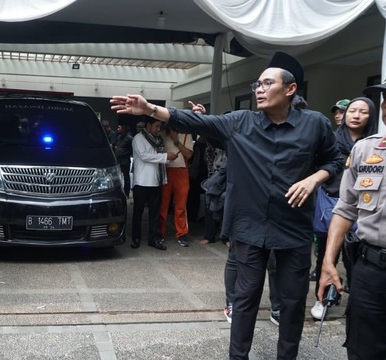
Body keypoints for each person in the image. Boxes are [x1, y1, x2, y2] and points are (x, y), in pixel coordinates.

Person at [111, 51, 344, 359]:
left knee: (291, 303)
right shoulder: (240, 123)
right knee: (244, 300)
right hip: (249, 228)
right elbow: (197, 120)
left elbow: (335, 159)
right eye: (257, 84)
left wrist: (314, 179)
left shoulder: (315, 124)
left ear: (290, 89)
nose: (259, 89)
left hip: (293, 230)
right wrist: (152, 109)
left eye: (267, 83)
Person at [318, 80, 386, 360]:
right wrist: (328, 262)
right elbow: (346, 208)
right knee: (362, 349)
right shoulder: (366, 150)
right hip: (371, 271)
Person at [311, 96, 378, 320]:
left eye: (362, 112)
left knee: (356, 257)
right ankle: (323, 299)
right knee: (327, 254)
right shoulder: (331, 139)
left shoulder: (375, 144)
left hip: (364, 209)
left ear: (371, 116)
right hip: (332, 203)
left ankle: (355, 298)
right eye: (352, 111)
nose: (356, 115)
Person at [130, 117, 176, 250]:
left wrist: (169, 158)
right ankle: (136, 238)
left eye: (159, 127)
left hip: (156, 181)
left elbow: (159, 158)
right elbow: (145, 156)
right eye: (156, 126)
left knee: (154, 213)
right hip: (142, 181)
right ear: (148, 125)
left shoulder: (158, 140)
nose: (158, 129)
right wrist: (165, 156)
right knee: (138, 212)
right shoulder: (138, 138)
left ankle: (154, 239)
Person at [159, 126, 193, 247]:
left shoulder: (186, 134)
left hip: (181, 171)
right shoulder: (161, 133)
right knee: (163, 204)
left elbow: (189, 154)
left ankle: (182, 233)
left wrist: (176, 140)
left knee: (181, 204)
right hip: (166, 170)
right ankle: (160, 232)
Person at [114, 124, 133, 197]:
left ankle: (126, 192)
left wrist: (126, 154)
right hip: (118, 160)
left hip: (125, 160)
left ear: (123, 128)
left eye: (119, 127)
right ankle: (118, 191)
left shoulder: (129, 138)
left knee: (126, 177)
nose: (118, 129)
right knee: (117, 177)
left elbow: (132, 149)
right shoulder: (118, 137)